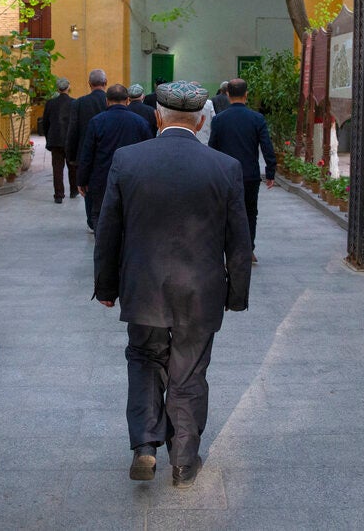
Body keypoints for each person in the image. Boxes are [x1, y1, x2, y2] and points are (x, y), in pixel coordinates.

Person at [94, 81, 253, 489]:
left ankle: (146, 444)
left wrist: (107, 287)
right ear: (200, 121)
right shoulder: (224, 167)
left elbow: (109, 230)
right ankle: (183, 460)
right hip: (201, 292)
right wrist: (235, 295)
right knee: (190, 372)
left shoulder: (128, 161)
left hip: (143, 287)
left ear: (157, 116)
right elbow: (239, 240)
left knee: (145, 360)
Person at [208, 78, 277, 263]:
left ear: (228, 94)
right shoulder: (257, 118)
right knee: (249, 212)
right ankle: (248, 249)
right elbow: (266, 147)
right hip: (249, 175)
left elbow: (212, 147)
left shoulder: (219, 120)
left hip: (224, 174)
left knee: (223, 212)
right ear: (246, 94)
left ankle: (225, 250)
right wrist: (270, 172)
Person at [77, 84, 152, 231]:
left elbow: (87, 154)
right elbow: (148, 152)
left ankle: (104, 249)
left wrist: (82, 180)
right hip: (132, 179)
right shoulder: (140, 122)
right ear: (127, 100)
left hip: (101, 179)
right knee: (128, 218)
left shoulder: (96, 122)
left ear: (107, 101)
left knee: (100, 217)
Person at [66, 69, 108, 225]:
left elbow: (73, 131)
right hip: (106, 150)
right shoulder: (109, 101)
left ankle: (91, 219)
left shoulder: (79, 103)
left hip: (85, 151)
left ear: (89, 84)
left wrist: (70, 155)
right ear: (106, 83)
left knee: (87, 185)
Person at [42, 77, 78, 203]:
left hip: (55, 140)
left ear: (57, 89)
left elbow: (45, 123)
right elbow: (77, 124)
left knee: (57, 169)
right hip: (70, 140)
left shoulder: (50, 103)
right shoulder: (75, 103)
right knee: (72, 166)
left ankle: (58, 195)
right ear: (68, 87)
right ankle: (74, 190)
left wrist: (48, 137)